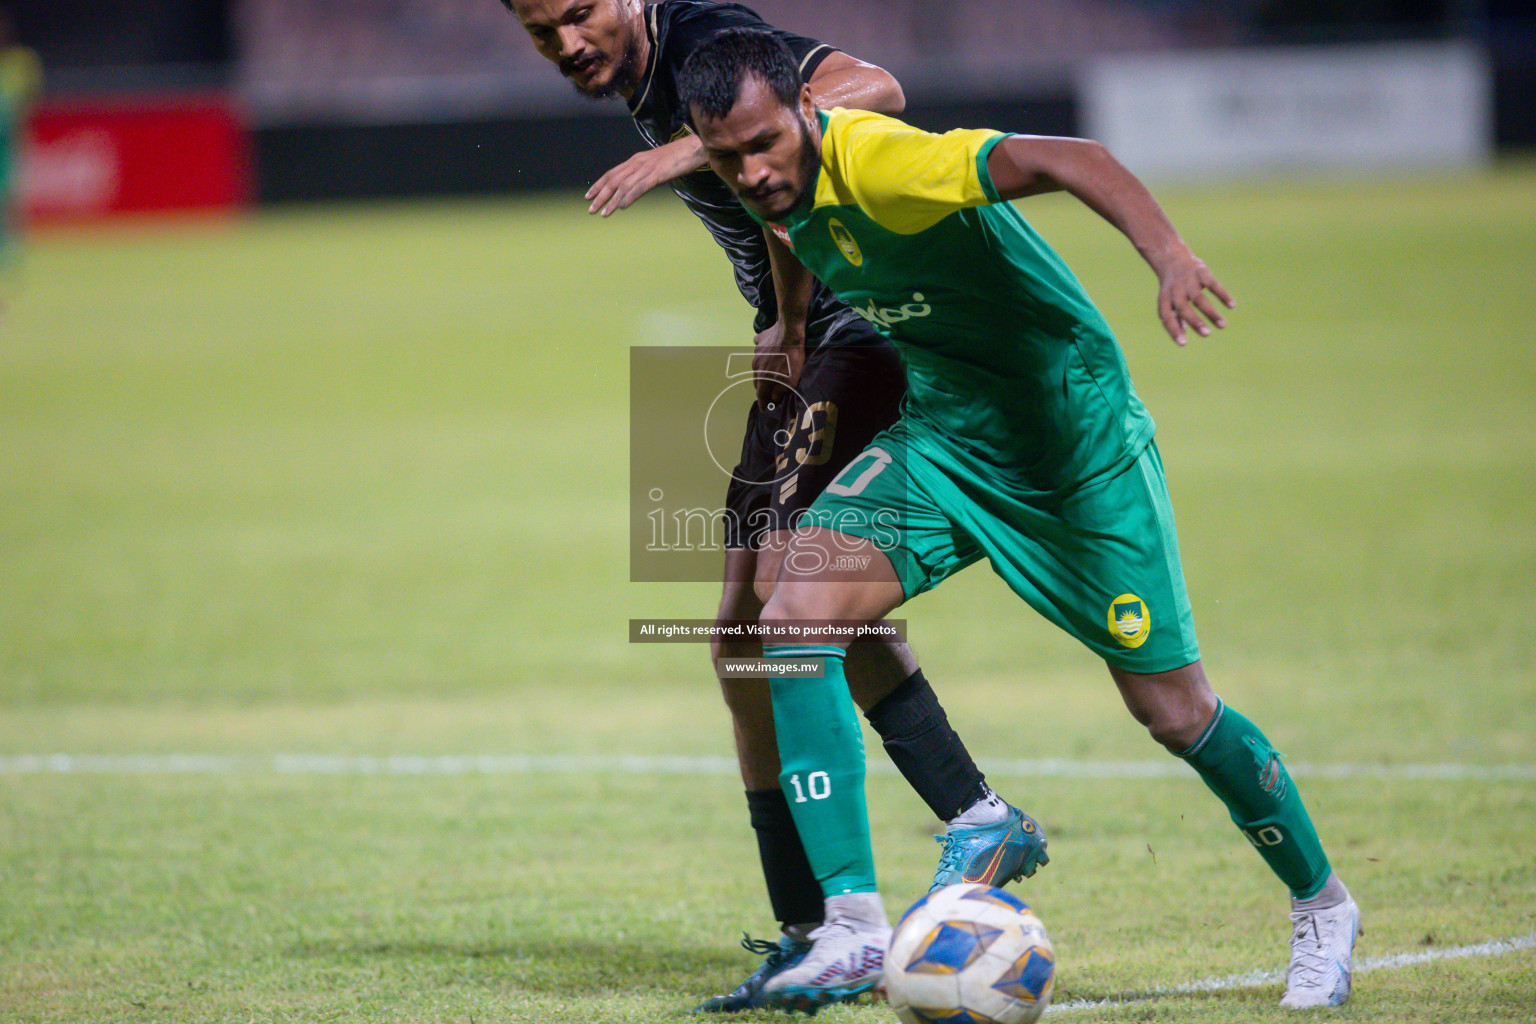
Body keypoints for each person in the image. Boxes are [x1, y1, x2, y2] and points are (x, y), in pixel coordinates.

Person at [677, 27, 1361, 1011]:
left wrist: (1166, 255)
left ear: (805, 111)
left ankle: (1323, 903)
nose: (751, 170)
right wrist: (786, 327)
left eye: (763, 143)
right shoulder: (776, 193)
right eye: (726, 155)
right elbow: (795, 239)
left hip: (1073, 447)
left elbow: (1070, 158)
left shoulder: (886, 160)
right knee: (790, 622)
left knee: (1172, 710)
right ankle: (854, 928)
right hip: (951, 436)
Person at [497, 1, 1048, 1011]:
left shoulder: (703, 38)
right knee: (747, 637)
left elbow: (877, 89)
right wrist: (782, 317)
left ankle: (855, 918)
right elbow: (776, 205)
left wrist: (675, 157)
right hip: (804, 335)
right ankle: (850, 896)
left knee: (788, 617)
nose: (569, 42)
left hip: (867, 324)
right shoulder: (641, 75)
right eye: (543, 32)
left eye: (579, 12)